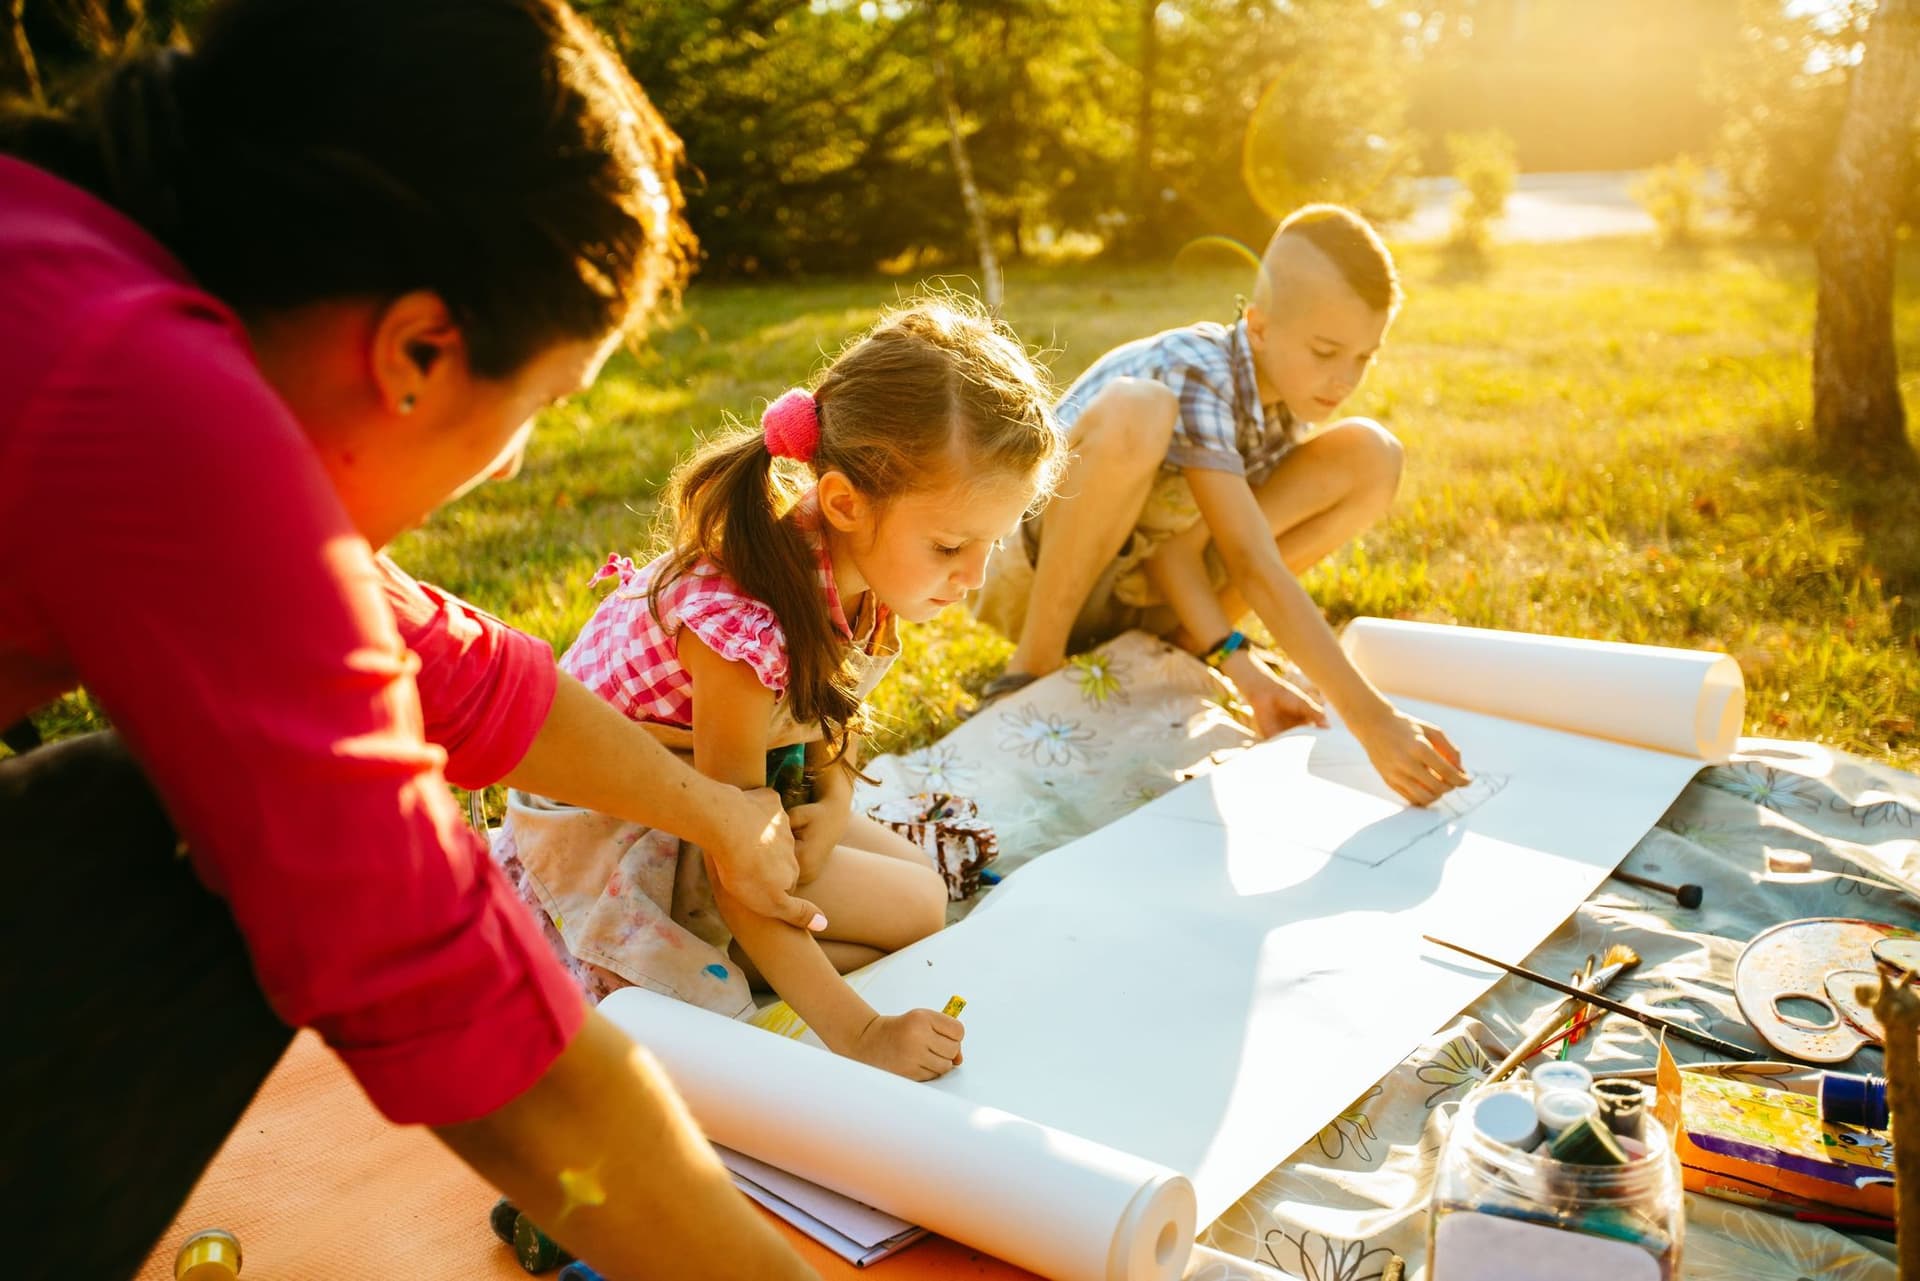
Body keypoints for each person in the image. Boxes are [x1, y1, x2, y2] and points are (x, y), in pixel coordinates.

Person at [0, 2, 816, 1276]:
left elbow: (444, 668)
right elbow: (465, 1011)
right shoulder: (147, 401)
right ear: (419, 349)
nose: (514, 463)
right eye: (541, 406)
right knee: (149, 845)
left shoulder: (69, 283)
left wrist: (715, 813)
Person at [500, 299, 1063, 1081]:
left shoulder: (856, 571)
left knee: (922, 900)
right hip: (632, 828)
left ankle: (743, 957)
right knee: (910, 912)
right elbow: (733, 849)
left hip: (738, 787)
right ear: (843, 502)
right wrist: (862, 1033)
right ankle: (679, 958)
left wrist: (832, 799)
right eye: (950, 545)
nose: (973, 577)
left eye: (992, 544)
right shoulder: (743, 628)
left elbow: (828, 707)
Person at [971, 204, 1471, 806]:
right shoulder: (1197, 369)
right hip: (1034, 574)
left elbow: (1178, 553)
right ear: (1258, 327)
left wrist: (1240, 663)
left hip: (1142, 589)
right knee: (1138, 408)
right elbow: (1250, 559)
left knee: (1372, 453)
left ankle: (1186, 645)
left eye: (1363, 357)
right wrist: (1373, 720)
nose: (1343, 379)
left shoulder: (1285, 399)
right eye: (1325, 350)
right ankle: (1031, 669)